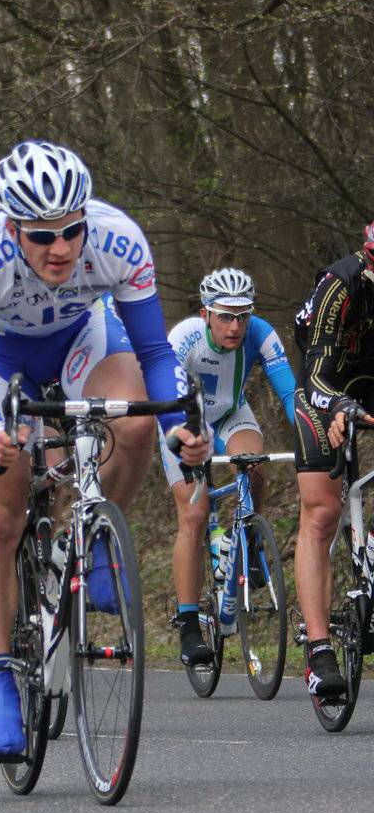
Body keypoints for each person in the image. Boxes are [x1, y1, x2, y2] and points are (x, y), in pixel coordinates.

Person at [0, 140, 207, 758]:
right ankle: (1, 678)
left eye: (71, 230)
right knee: (0, 517)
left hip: (82, 338)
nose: (61, 248)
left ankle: (88, 540)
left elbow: (154, 355)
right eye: (42, 236)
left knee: (136, 422)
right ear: (13, 229)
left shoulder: (120, 239)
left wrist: (178, 423)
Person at [163, 268, 295, 660]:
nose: (235, 326)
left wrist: (311, 437)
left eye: (242, 315)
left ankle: (249, 541)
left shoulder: (261, 333)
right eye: (225, 316)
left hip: (230, 413)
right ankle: (188, 625)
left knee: (254, 466)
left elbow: (288, 392)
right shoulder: (184, 337)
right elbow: (166, 394)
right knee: (195, 514)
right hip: (183, 420)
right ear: (206, 314)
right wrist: (184, 438)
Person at [292, 222, 374, 699]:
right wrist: (340, 407)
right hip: (329, 387)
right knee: (322, 510)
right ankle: (320, 651)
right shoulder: (340, 285)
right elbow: (319, 372)